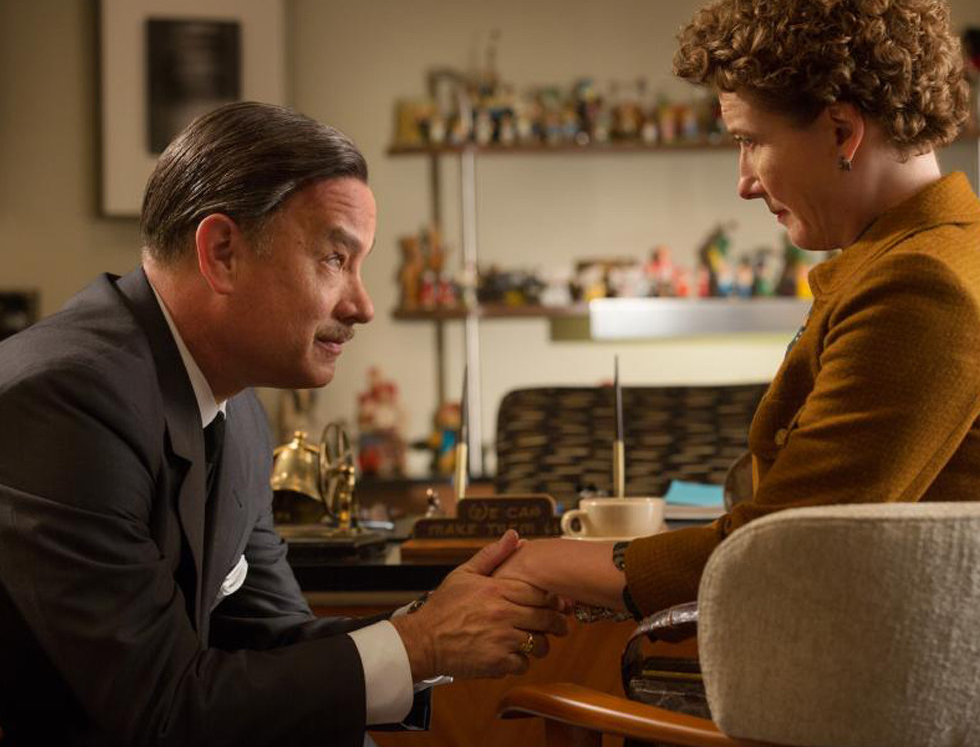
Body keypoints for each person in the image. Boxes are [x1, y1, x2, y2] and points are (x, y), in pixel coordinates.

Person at [0, 101, 568, 746]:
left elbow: (272, 642)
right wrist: (419, 643)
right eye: (335, 259)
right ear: (222, 253)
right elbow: (162, 710)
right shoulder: (61, 404)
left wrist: (433, 623)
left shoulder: (237, 409)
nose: (362, 306)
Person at [496, 0, 980, 620]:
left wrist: (539, 561)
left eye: (750, 141)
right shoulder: (943, 258)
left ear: (841, 131)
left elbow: (780, 552)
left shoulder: (919, 290)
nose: (744, 181)